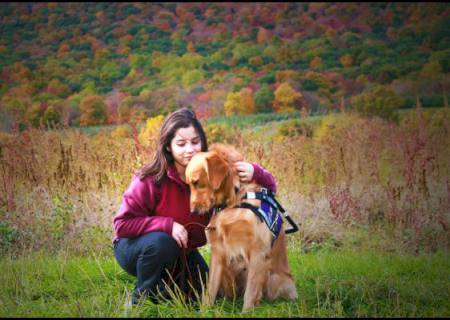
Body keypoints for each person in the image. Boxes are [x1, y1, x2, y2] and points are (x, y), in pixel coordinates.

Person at [112, 107, 277, 305]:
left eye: (195, 142)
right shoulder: (149, 179)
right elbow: (122, 225)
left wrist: (255, 172)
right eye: (181, 144)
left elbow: (270, 189)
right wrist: (167, 225)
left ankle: (164, 289)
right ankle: (140, 300)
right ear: (168, 147)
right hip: (139, 249)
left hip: (184, 253)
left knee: (206, 295)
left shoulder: (211, 170)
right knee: (161, 243)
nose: (189, 149)